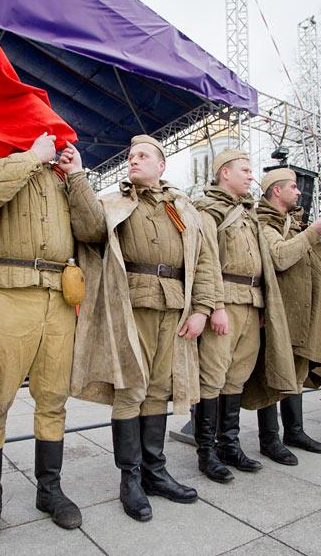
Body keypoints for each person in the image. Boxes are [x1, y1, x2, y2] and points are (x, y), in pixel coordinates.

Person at [0, 134, 102, 549]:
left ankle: (50, 490)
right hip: (6, 290)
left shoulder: (62, 175)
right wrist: (32, 156)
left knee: (53, 399)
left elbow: (93, 228)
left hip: (59, 296)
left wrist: (76, 176)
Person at [71, 134, 217, 521]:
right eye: (131, 155)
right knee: (131, 390)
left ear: (161, 165)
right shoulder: (114, 202)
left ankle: (155, 472)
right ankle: (130, 479)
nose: (133, 160)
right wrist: (76, 177)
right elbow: (87, 230)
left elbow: (202, 261)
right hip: (129, 303)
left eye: (142, 155)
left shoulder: (183, 207)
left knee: (158, 390)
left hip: (174, 306)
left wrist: (202, 308)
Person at [192, 150, 297, 476]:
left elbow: (263, 264)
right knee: (212, 377)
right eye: (245, 169)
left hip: (252, 303)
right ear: (225, 173)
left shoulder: (249, 213)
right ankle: (206, 453)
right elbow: (205, 261)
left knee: (236, 376)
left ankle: (230, 446)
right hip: (225, 302)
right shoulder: (207, 210)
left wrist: (264, 304)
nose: (251, 176)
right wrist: (215, 306)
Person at [254, 167, 321, 460]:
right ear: (276, 190)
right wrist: (313, 233)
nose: (299, 192)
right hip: (280, 313)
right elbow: (280, 257)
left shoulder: (293, 222)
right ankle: (270, 439)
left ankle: (295, 430)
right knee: (273, 372)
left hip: (302, 312)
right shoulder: (265, 223)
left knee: (296, 371)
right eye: (292, 186)